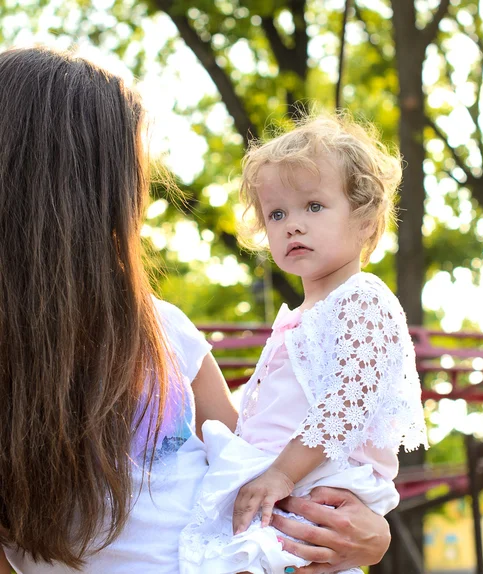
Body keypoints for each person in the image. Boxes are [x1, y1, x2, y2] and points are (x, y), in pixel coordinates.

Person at [0, 47, 392, 574]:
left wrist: (371, 535)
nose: (141, 194)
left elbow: (249, 466)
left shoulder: (164, 331)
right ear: (82, 189)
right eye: (132, 170)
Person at [179, 115, 429, 574]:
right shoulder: (301, 318)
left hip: (314, 484)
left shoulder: (361, 297)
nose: (292, 224)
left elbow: (350, 400)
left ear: (365, 220)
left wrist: (280, 473)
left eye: (313, 206)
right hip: (288, 484)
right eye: (277, 213)